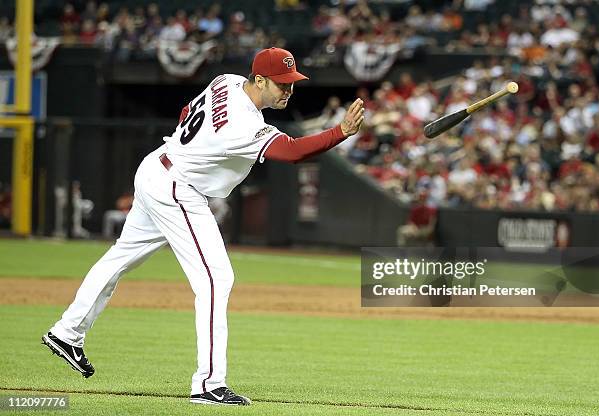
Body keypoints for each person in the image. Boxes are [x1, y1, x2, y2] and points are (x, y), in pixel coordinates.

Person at [42, 47, 364, 406]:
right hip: (178, 188)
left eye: (292, 83)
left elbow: (185, 113)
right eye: (281, 84)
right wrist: (341, 131)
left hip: (157, 168)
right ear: (258, 80)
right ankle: (209, 383)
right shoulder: (244, 123)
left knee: (121, 257)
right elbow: (292, 152)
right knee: (216, 279)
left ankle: (67, 332)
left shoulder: (226, 81)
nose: (288, 90)